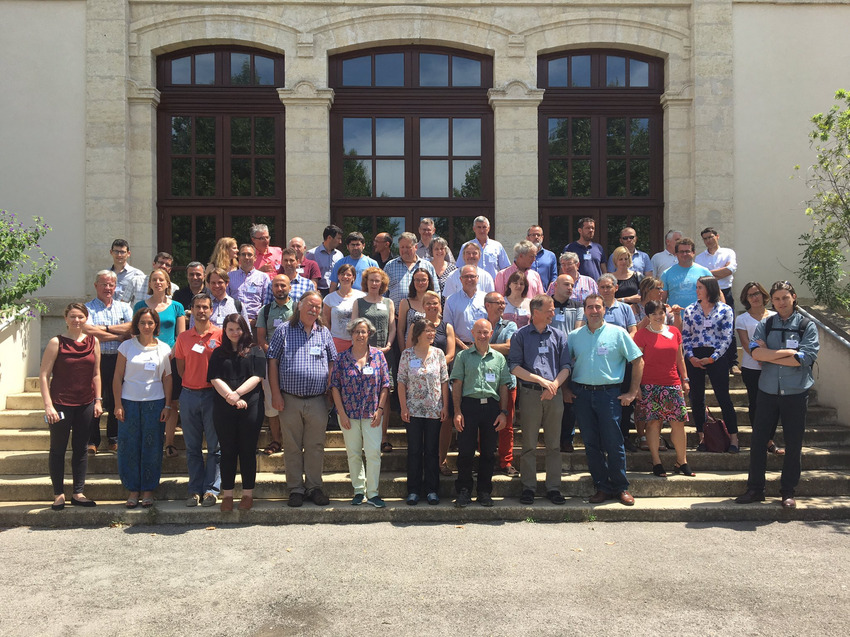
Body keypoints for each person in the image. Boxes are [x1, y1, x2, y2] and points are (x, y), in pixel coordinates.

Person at [736, 281, 819, 509]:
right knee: (758, 440)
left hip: (795, 392)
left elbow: (803, 359)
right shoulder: (766, 323)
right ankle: (755, 489)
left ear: (793, 297)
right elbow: (755, 353)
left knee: (793, 444)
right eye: (777, 298)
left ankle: (788, 491)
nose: (781, 302)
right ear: (771, 300)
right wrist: (787, 353)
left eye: (785, 297)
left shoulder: (806, 325)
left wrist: (770, 354)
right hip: (768, 391)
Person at [567, 294, 644, 506]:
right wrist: (566, 389)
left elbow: (638, 361)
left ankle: (621, 487)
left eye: (598, 307)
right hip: (582, 395)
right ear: (584, 310)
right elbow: (564, 365)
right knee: (591, 444)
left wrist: (631, 392)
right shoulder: (574, 336)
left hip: (609, 395)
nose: (594, 311)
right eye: (590, 307)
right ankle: (601, 486)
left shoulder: (618, 333)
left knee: (613, 442)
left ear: (604, 310)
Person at [267, 291, 337, 507]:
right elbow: (272, 362)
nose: (313, 309)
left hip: (317, 400)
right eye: (310, 305)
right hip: (289, 399)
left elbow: (333, 361)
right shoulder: (283, 331)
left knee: (315, 445)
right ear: (299, 306)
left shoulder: (324, 332)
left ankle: (314, 487)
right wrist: (276, 394)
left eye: (317, 307)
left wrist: (329, 389)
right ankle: (295, 489)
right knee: (292, 446)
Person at [508, 294, 571, 505]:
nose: (553, 313)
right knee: (529, 445)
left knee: (554, 444)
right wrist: (541, 382)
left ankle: (553, 488)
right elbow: (514, 367)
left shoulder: (559, 335)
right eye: (550, 310)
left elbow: (566, 367)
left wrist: (553, 385)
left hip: (554, 393)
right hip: (530, 394)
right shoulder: (520, 335)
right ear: (536, 312)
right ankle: (528, 487)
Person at [39, 303, 102, 510]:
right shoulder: (56, 342)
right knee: (58, 449)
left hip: (85, 403)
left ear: (86, 319)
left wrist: (98, 400)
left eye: (81, 317)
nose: (77, 320)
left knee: (81, 449)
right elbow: (43, 375)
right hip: (60, 404)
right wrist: (49, 406)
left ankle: (78, 492)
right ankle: (58, 494)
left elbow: (96, 374)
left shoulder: (94, 342)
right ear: (66, 318)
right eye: (73, 317)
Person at [113, 308, 173, 508]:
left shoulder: (164, 348)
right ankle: (132, 489)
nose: (146, 326)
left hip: (154, 403)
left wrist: (166, 405)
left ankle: (148, 489)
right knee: (128, 447)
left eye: (150, 323)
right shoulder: (126, 347)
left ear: (156, 324)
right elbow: (117, 377)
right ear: (136, 325)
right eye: (142, 323)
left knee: (152, 447)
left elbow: (167, 378)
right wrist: (118, 404)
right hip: (129, 402)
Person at [208, 313, 266, 512]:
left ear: (244, 330)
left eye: (238, 328)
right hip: (224, 407)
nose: (235, 333)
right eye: (230, 329)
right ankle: (228, 494)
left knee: (248, 451)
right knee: (228, 451)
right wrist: (230, 397)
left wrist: (238, 394)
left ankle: (248, 494)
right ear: (224, 331)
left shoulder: (256, 350)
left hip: (251, 406)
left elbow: (258, 376)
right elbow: (214, 378)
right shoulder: (217, 353)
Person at [330, 318, 391, 508]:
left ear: (369, 334)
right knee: (354, 454)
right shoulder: (341, 358)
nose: (360, 335)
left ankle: (373, 493)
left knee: (373, 453)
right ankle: (358, 490)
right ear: (351, 334)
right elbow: (335, 387)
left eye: (364, 331)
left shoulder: (378, 357)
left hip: (372, 413)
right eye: (356, 331)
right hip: (348, 415)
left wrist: (380, 410)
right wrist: (341, 413)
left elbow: (385, 385)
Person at [451, 319, 511, 507]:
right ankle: (464, 490)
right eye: (479, 332)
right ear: (472, 333)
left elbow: (503, 386)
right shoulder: (463, 357)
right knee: (466, 451)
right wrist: (457, 411)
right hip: (469, 406)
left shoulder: (499, 358)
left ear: (491, 333)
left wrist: (503, 412)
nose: (483, 335)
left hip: (491, 408)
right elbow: (457, 384)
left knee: (488, 453)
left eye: (486, 332)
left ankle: (484, 491)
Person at [633, 301, 693, 478]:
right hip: (650, 384)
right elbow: (637, 362)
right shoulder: (641, 335)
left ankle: (682, 461)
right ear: (648, 316)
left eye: (661, 312)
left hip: (672, 382)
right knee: (653, 423)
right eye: (654, 314)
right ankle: (656, 461)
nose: (659, 316)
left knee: (678, 423)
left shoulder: (674, 332)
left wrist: (686, 379)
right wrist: (636, 386)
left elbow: (679, 358)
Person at [173, 293, 222, 507]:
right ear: (191, 310)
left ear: (211, 310)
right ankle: (194, 490)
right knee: (192, 447)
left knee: (214, 447)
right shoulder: (183, 338)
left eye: (205, 307)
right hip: (189, 395)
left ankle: (211, 490)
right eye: (197, 307)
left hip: (213, 395)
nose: (201, 311)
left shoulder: (220, 335)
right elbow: (181, 369)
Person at [681, 276, 739, 452]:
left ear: (710, 288)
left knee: (723, 397)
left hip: (716, 356)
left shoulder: (725, 309)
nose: (697, 290)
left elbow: (727, 336)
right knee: (697, 398)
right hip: (695, 356)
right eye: (697, 287)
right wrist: (691, 357)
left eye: (700, 287)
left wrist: (713, 357)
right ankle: (702, 438)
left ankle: (734, 439)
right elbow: (685, 336)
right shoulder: (691, 309)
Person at [133, 268, 185, 459]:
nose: (158, 282)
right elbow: (135, 332)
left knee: (171, 402)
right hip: (146, 358)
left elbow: (181, 335)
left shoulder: (177, 306)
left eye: (161, 279)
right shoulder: (140, 305)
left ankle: (169, 442)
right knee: (149, 400)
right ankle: (151, 442)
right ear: (150, 284)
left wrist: (170, 354)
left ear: (167, 283)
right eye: (154, 279)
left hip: (171, 358)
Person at [397, 319, 449, 505]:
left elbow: (444, 381)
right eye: (427, 330)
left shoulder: (439, 354)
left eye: (433, 330)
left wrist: (445, 406)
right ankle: (413, 490)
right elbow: (401, 382)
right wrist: (403, 407)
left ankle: (432, 490)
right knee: (414, 450)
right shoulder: (407, 355)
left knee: (432, 451)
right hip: (413, 410)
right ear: (417, 333)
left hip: (434, 410)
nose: (431, 334)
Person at [83, 270, 133, 454]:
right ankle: (92, 440)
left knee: (115, 399)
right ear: (96, 286)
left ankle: (114, 438)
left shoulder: (124, 307)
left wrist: (103, 329)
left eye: (111, 284)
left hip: (118, 360)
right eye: (104, 284)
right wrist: (116, 335)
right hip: (95, 360)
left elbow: (130, 327)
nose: (108, 288)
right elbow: (87, 330)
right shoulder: (87, 308)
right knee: (94, 399)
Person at [350, 267, 396, 452]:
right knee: (364, 391)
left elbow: (392, 327)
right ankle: (363, 438)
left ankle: (383, 437)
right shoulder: (358, 302)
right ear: (366, 282)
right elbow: (354, 327)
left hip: (385, 353)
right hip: (364, 354)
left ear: (382, 283)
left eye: (377, 281)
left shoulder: (388, 302)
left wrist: (388, 345)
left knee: (385, 393)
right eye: (371, 280)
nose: (374, 284)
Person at [736, 282, 782, 454]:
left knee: (774, 404)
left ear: (763, 295)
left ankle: (769, 439)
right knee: (756, 403)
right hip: (751, 367)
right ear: (746, 299)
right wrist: (759, 356)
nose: (754, 297)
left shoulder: (775, 316)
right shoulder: (742, 319)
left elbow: (778, 341)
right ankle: (759, 438)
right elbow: (746, 344)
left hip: (773, 366)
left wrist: (769, 358)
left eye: (757, 293)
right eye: (750, 295)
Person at [256, 274, 294, 456]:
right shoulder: (264, 310)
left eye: (283, 285)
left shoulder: (298, 308)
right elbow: (261, 337)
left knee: (292, 401)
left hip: (293, 362)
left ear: (290, 287)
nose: (280, 288)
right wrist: (272, 353)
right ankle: (276, 440)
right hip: (270, 361)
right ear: (272, 289)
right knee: (271, 402)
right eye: (276, 285)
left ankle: (292, 441)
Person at [696, 227, 740, 373]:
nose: (708, 240)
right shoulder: (700, 258)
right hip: (707, 295)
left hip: (725, 293)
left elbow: (730, 270)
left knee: (728, 328)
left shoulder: (728, 252)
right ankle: (711, 361)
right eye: (705, 238)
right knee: (708, 327)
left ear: (717, 236)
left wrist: (709, 274)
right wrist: (721, 271)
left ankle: (732, 363)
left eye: (710, 237)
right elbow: (701, 278)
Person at [483, 293, 518, 476]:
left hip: (506, 381)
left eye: (504, 303)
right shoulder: (479, 324)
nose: (503, 306)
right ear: (487, 305)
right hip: (482, 383)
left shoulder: (510, 325)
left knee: (507, 424)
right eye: (499, 303)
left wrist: (483, 346)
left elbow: (510, 347)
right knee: (483, 423)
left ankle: (506, 462)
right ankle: (484, 459)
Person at [548, 275, 585, 453]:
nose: (570, 287)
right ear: (555, 285)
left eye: (572, 285)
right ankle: (553, 438)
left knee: (569, 400)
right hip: (549, 359)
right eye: (566, 284)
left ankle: (566, 439)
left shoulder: (577, 305)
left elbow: (577, 329)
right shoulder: (548, 305)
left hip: (571, 358)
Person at [385, 232, 439, 306]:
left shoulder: (427, 266)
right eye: (402, 247)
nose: (404, 250)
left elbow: (436, 292)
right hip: (395, 315)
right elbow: (383, 292)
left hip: (422, 314)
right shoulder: (390, 266)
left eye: (408, 247)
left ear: (416, 247)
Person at [323, 263, 366, 353]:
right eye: (342, 274)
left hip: (356, 341)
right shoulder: (329, 298)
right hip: (336, 341)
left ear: (353, 277)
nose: (345, 277)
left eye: (348, 275)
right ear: (338, 276)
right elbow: (326, 321)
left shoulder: (361, 296)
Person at [227, 244, 271, 330]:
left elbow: (266, 302)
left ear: (255, 257)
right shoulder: (229, 276)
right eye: (243, 254)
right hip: (235, 323)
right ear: (239, 257)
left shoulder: (263, 277)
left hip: (256, 323)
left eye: (249, 255)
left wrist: (258, 320)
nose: (246, 257)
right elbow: (226, 300)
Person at [443, 265, 488, 349]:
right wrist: (463, 346)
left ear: (477, 278)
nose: (469, 279)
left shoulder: (486, 298)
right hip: (459, 348)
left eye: (472, 276)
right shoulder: (451, 300)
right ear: (460, 279)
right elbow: (448, 328)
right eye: (466, 276)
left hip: (483, 347)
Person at [660, 238, 712, 309]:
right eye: (681, 251)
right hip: (675, 317)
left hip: (700, 317)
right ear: (676, 254)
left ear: (693, 253)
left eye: (687, 251)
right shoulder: (666, 273)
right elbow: (662, 299)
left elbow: (716, 293)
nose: (684, 254)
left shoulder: (704, 272)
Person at [461, 215, 510, 279]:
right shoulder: (466, 246)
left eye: (484, 227)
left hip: (493, 286)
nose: (482, 230)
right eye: (479, 227)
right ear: (474, 229)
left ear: (488, 228)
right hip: (472, 285)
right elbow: (460, 268)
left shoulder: (497, 246)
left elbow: (505, 269)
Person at [397, 269, 434, 349]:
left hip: (430, 348)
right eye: (417, 280)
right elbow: (400, 330)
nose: (420, 283)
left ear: (428, 281)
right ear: (413, 282)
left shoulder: (434, 303)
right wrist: (403, 352)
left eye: (423, 280)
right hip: (410, 348)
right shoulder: (405, 303)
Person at [305, 224, 343, 296]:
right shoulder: (312, 254)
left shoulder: (339, 255)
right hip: (319, 291)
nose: (340, 242)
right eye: (338, 238)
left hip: (336, 291)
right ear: (329, 238)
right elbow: (307, 273)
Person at [109, 239, 146, 305]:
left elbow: (142, 296)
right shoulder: (106, 274)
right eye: (116, 251)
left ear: (128, 254)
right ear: (111, 252)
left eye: (122, 252)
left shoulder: (137, 274)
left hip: (129, 313)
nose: (119, 255)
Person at [527, 225, 558, 291]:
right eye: (533, 235)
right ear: (528, 238)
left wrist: (549, 292)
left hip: (545, 295)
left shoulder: (551, 255)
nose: (536, 237)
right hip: (527, 295)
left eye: (538, 235)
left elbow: (554, 277)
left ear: (542, 237)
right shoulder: (522, 255)